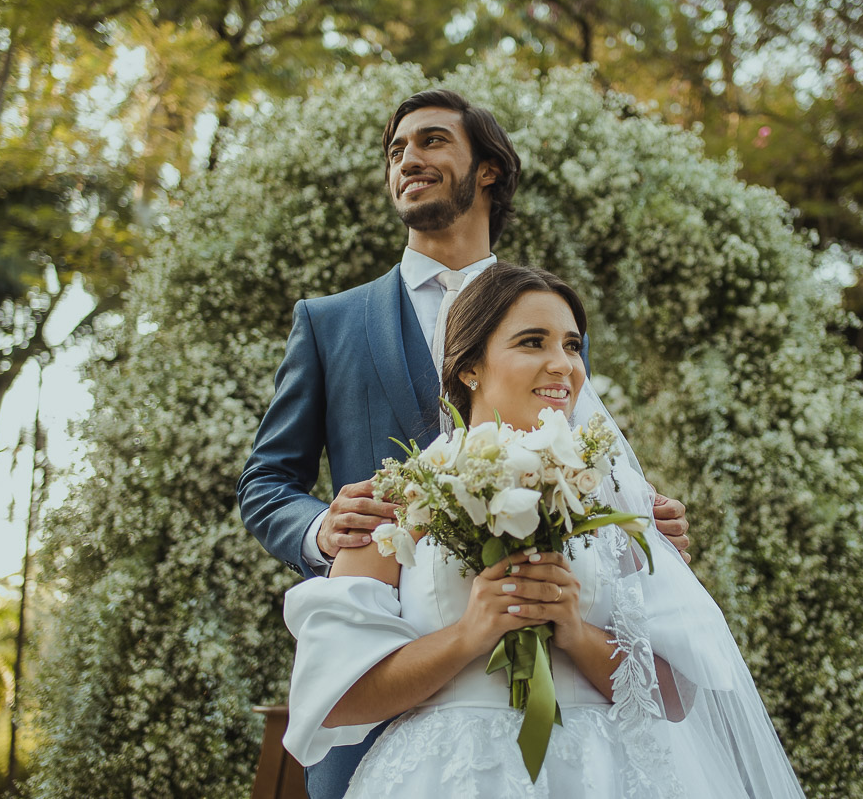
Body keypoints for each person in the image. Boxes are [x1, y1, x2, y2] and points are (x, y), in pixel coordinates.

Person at [237, 89, 692, 798]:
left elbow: (581, 451)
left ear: (488, 170)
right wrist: (327, 529)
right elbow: (265, 484)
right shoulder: (329, 323)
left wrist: (634, 523)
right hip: (392, 704)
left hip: (582, 740)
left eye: (429, 142)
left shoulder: (549, 322)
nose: (407, 160)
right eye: (395, 151)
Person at [281, 263, 805, 798]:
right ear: (469, 368)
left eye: (573, 346)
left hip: (603, 777)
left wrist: (576, 630)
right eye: (533, 343)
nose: (563, 365)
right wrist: (468, 634)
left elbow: (675, 694)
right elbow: (340, 696)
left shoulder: (615, 498)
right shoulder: (400, 498)